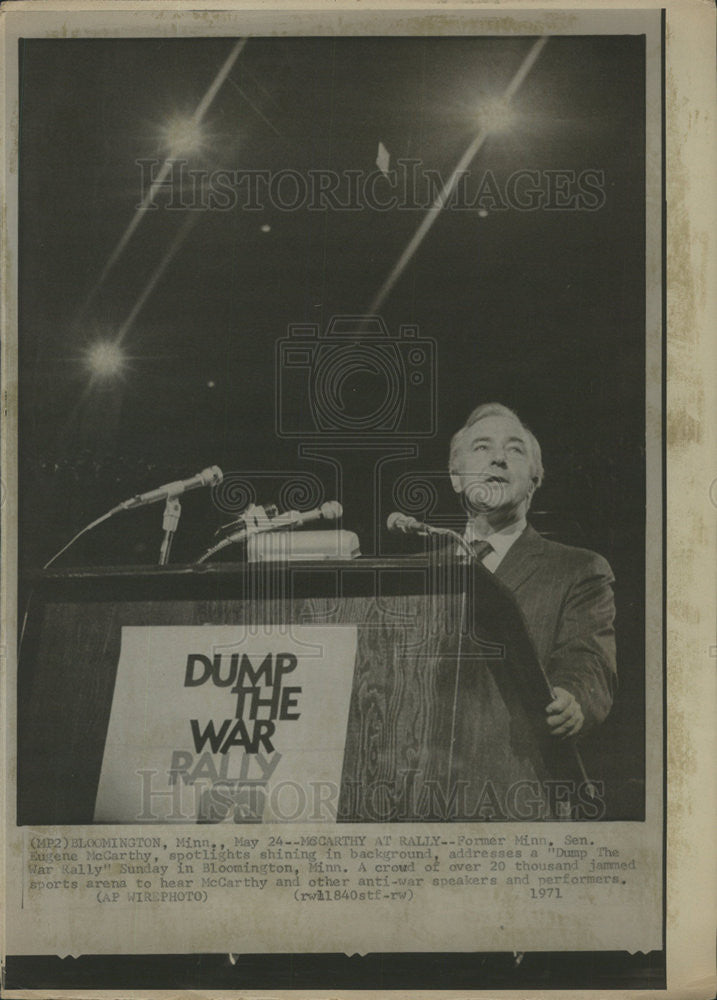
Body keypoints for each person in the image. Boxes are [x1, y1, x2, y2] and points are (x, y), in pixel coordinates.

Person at [448, 401, 617, 739]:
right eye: (482, 447)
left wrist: (571, 697)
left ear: (534, 481)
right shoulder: (419, 574)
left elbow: (588, 662)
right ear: (455, 477)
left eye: (515, 450)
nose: (498, 458)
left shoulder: (579, 570)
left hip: (517, 767)